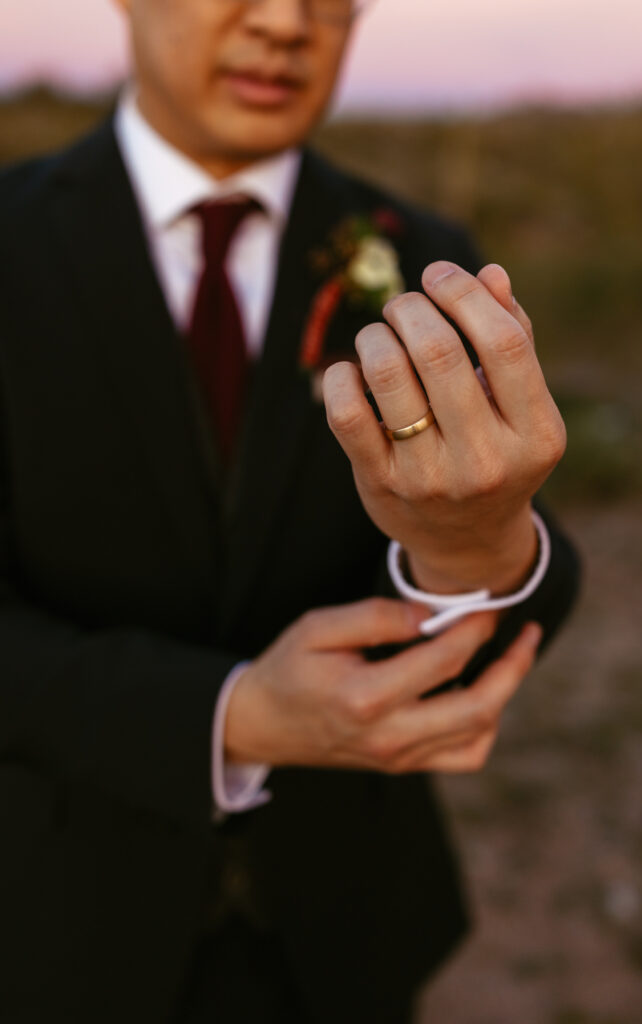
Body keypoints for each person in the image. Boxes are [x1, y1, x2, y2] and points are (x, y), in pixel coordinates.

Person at [0, 0, 580, 1021]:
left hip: (344, 936)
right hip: (48, 925)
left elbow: (534, 566)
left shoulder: (421, 252)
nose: (284, 22)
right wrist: (225, 717)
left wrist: (467, 546)